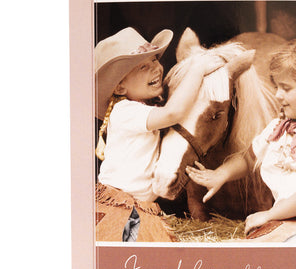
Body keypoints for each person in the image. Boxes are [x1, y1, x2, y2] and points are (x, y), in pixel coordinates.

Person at [186, 36, 296, 242]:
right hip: (289, 220)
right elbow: (248, 158)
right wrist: (221, 174)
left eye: (286, 88)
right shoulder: (278, 128)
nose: (277, 95)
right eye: (277, 87)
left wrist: (270, 214)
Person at [94, 27, 222, 242]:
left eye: (154, 60)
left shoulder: (146, 108)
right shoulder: (125, 111)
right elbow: (173, 113)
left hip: (139, 206)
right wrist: (197, 70)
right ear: (120, 87)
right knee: (128, 245)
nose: (155, 68)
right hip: (122, 205)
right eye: (143, 66)